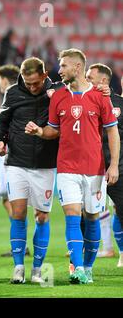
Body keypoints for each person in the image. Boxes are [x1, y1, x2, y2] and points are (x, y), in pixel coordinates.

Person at [25, 49, 120, 284]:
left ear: (77, 67)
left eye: (64, 66)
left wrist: (114, 165)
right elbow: (53, 130)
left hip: (95, 168)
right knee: (72, 216)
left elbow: (112, 131)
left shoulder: (100, 96)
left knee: (92, 217)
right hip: (67, 168)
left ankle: (88, 267)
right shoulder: (58, 97)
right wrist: (39, 131)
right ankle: (77, 268)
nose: (60, 70)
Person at [0, 57, 64, 284]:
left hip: (45, 163)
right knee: (18, 212)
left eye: (35, 83)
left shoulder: (57, 92)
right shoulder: (13, 93)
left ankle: (37, 268)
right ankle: (18, 268)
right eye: (27, 82)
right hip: (17, 162)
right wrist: (0, 139)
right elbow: (1, 120)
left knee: (42, 217)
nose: (31, 87)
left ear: (44, 76)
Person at [85, 63, 123, 267]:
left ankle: (122, 252)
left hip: (116, 167)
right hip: (89, 167)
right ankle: (83, 258)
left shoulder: (119, 104)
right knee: (85, 213)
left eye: (90, 78)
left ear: (104, 81)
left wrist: (116, 164)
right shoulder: (81, 100)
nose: (86, 80)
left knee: (120, 209)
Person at [0, 64, 30, 258]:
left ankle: (21, 244)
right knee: (9, 199)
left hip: (10, 154)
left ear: (6, 80)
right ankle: (22, 243)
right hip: (9, 152)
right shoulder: (15, 96)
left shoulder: (13, 97)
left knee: (9, 198)